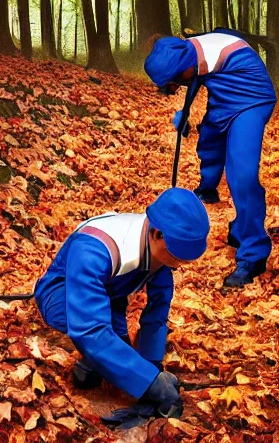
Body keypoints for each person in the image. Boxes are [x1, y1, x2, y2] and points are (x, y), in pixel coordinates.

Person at [34, 188, 210, 423]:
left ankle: (105, 364)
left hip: (111, 293)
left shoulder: (159, 248)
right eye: (176, 256)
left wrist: (152, 366)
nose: (179, 265)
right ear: (157, 234)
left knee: (121, 352)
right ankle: (90, 362)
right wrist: (151, 385)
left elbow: (157, 311)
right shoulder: (93, 250)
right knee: (99, 346)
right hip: (63, 292)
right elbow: (91, 329)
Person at [144, 29, 277, 287]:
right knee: (208, 139)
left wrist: (183, 110)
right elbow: (193, 82)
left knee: (243, 175)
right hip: (224, 97)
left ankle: (253, 254)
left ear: (184, 70)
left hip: (251, 100)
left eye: (173, 83)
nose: (173, 88)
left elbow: (193, 79)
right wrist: (182, 115)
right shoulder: (189, 54)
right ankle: (208, 189)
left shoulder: (210, 55)